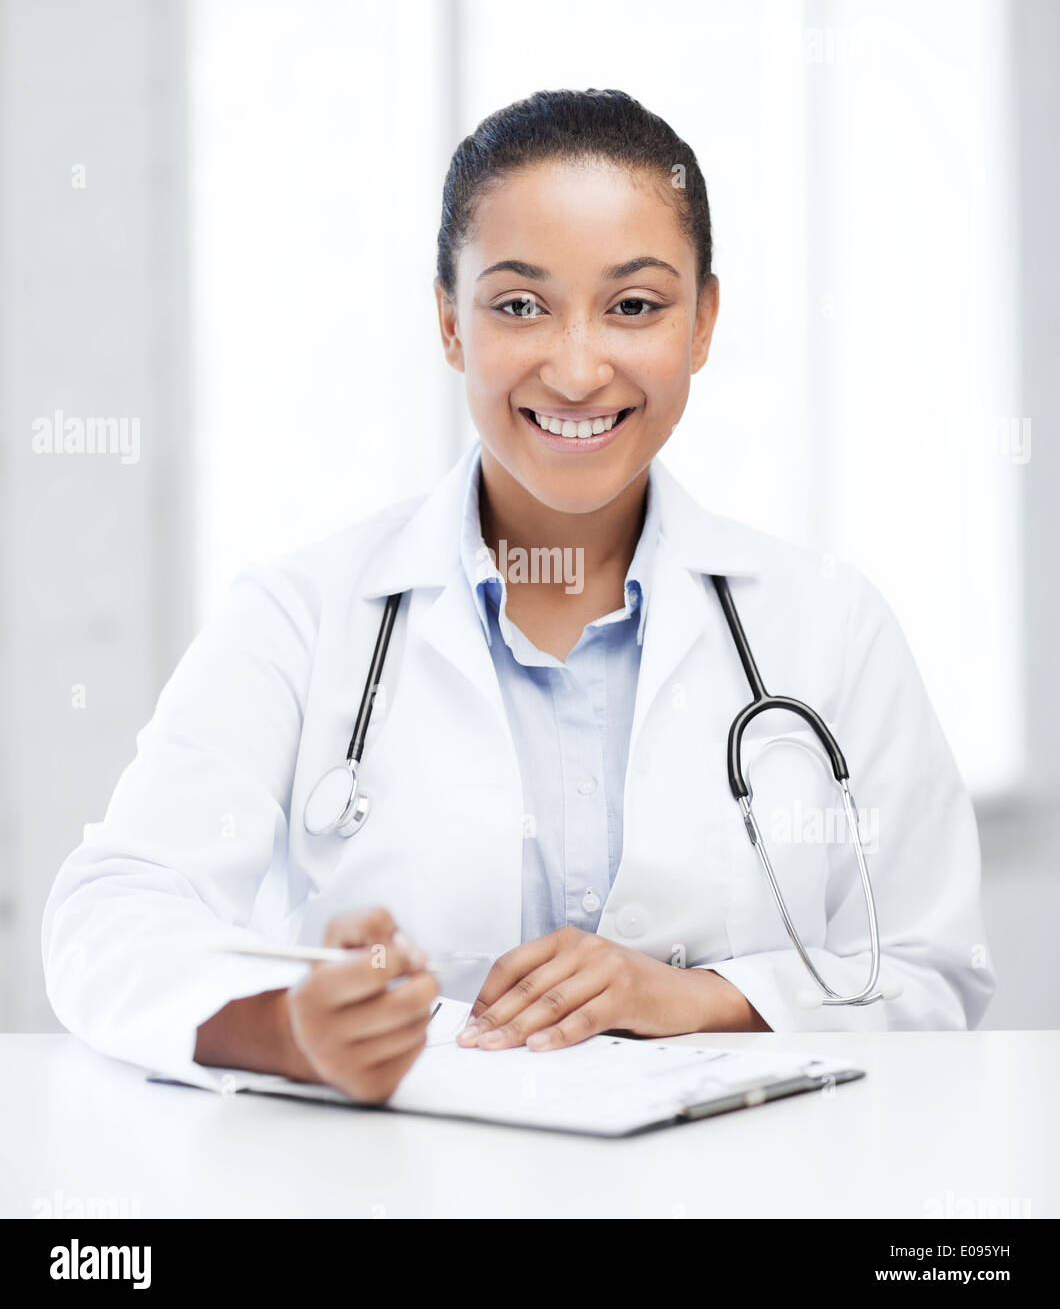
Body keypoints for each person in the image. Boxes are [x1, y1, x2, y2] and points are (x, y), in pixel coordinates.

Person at [42, 88, 995, 1106]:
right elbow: (112, 914)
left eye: (634, 306)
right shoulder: (300, 616)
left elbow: (932, 968)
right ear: (449, 323)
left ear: (703, 321)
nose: (578, 367)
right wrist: (287, 1028)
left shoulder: (826, 623)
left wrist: (703, 996)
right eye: (518, 304)